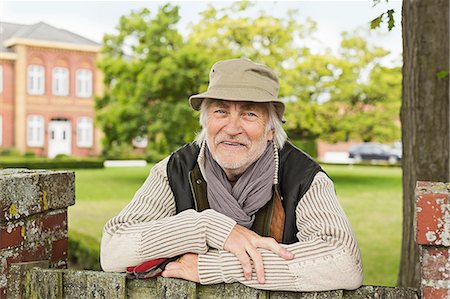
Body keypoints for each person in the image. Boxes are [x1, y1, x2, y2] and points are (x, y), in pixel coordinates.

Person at [100, 58, 363, 291]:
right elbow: (113, 250)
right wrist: (205, 227)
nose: (232, 127)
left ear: (271, 129)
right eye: (220, 111)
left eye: (249, 113)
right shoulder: (175, 171)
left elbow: (343, 261)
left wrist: (213, 266)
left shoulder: (302, 178)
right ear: (206, 121)